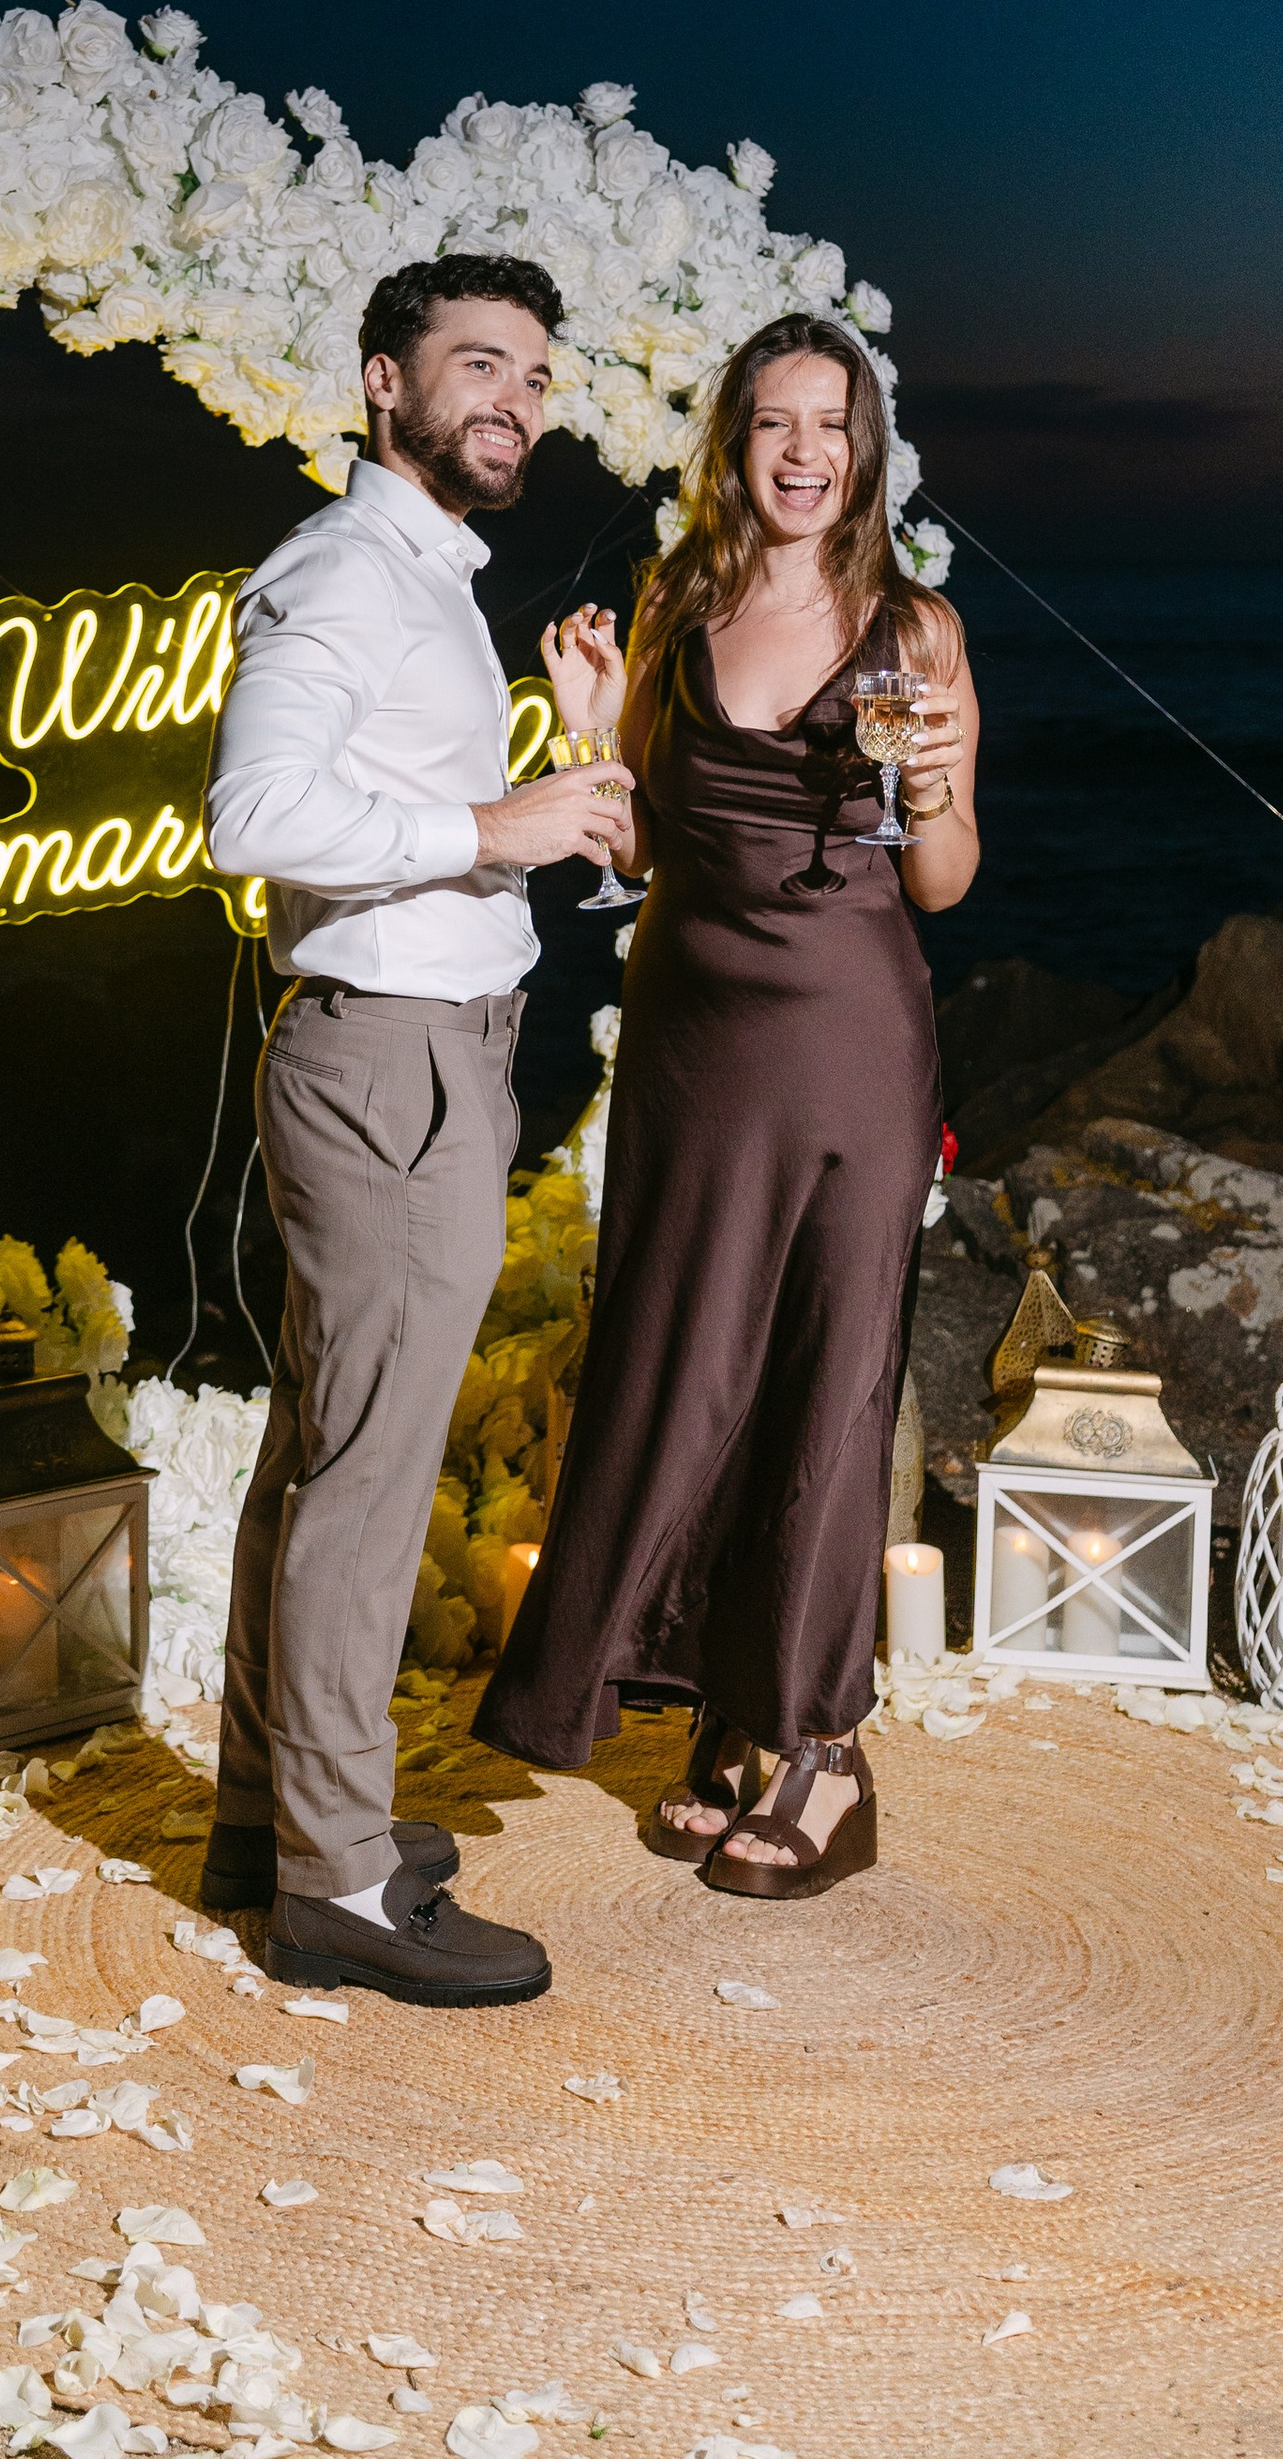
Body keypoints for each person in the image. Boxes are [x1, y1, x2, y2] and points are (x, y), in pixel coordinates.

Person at [473, 311, 979, 1899]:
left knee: (830, 1375)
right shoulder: (675, 600)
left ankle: (825, 1750)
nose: (804, 452)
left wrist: (948, 783)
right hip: (692, 1043)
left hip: (851, 1045)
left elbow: (946, 886)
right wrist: (582, 731)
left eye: (832, 425)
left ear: (865, 449)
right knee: (685, 1361)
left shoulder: (920, 628)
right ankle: (718, 1710)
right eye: (776, 422)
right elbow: (638, 847)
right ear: (736, 441)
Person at [201, 253, 631, 2004]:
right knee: (368, 1483)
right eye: (475, 364)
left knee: (325, 1453)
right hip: (391, 1070)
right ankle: (342, 1887)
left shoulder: (424, 577)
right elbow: (256, 812)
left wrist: (561, 765)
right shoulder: (342, 572)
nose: (511, 399)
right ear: (386, 382)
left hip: (415, 1055)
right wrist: (493, 821)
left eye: (531, 372)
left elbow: (416, 802)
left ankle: (271, 1816)